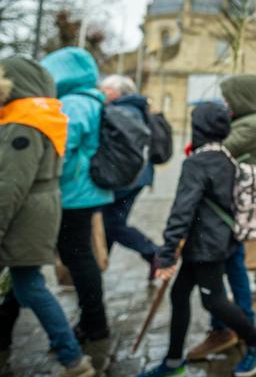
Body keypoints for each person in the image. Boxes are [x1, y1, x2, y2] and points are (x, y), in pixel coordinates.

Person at [138, 102, 256, 377]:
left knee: (214, 302)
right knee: (179, 295)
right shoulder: (225, 157)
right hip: (212, 243)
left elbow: (181, 211)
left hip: (206, 248)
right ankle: (174, 362)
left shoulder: (197, 162)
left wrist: (165, 256)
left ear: (198, 128)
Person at [0, 57, 95, 376]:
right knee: (27, 286)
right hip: (38, 210)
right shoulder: (42, 115)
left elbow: (9, 185)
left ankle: (73, 358)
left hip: (24, 217)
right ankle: (72, 358)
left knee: (30, 287)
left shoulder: (22, 122)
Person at [187, 74, 256, 361]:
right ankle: (229, 326)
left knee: (231, 265)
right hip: (231, 204)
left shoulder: (252, 124)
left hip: (233, 207)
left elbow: (211, 152)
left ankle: (234, 329)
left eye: (229, 97)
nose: (225, 103)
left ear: (242, 97)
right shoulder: (247, 121)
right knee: (233, 264)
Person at [40, 47, 111, 342]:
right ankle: (94, 321)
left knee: (78, 257)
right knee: (79, 255)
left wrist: (47, 180)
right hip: (83, 192)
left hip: (72, 193)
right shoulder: (89, 99)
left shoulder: (73, 103)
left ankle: (94, 323)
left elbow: (63, 151)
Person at [98, 75, 160, 281]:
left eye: (105, 89)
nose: (101, 92)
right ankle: (98, 265)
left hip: (127, 179)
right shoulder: (134, 109)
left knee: (111, 223)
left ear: (117, 93)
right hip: (136, 177)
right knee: (112, 222)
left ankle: (152, 252)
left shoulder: (122, 111)